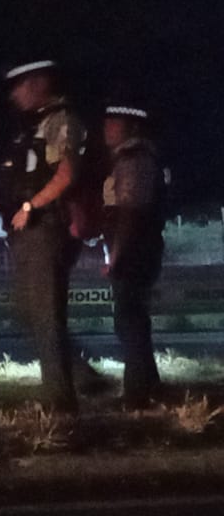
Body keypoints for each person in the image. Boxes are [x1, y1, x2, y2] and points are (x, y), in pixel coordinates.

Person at [0, 60, 86, 414]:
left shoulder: (60, 122)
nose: (15, 95)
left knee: (46, 314)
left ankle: (60, 400)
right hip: (30, 230)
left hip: (46, 227)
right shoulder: (36, 124)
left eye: (20, 86)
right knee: (28, 312)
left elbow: (67, 173)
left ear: (38, 83)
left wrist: (31, 206)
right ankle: (80, 376)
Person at [100, 102, 166, 408]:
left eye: (115, 123)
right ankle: (149, 384)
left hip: (135, 249)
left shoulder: (133, 159)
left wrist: (115, 254)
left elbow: (128, 213)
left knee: (128, 320)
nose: (107, 129)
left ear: (131, 127)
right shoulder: (136, 157)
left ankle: (136, 395)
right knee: (133, 317)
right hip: (140, 247)